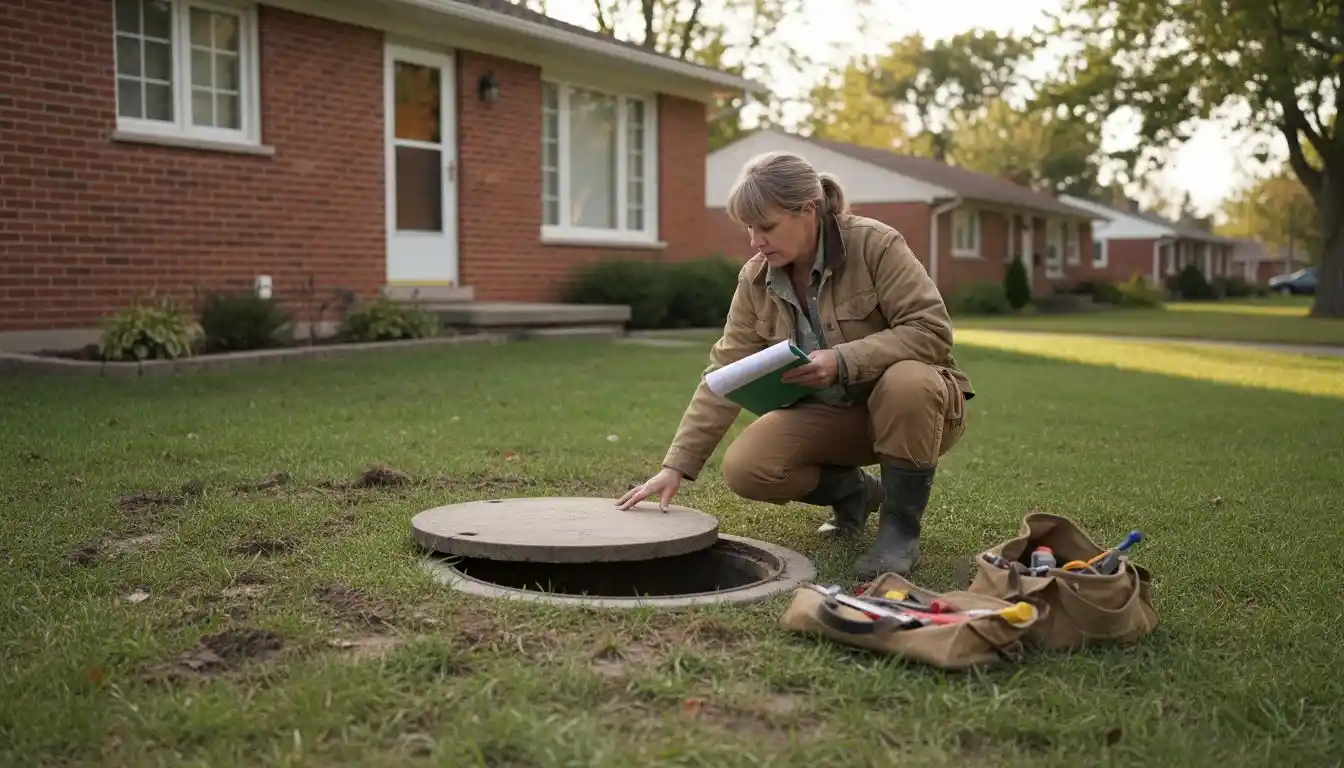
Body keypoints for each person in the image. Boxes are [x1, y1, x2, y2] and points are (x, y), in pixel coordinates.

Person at [616, 151, 974, 578]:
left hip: (919, 412)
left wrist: (841, 360)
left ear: (808, 210)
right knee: (748, 467)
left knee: (907, 381)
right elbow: (725, 372)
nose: (755, 240)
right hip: (836, 417)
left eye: (766, 226)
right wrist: (675, 466)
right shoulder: (755, 279)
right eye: (749, 228)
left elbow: (931, 330)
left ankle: (899, 532)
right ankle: (855, 493)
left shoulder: (875, 244)